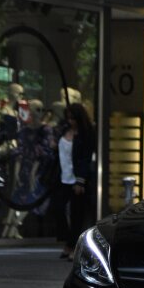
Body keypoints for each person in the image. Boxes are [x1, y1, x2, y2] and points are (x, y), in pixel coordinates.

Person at [52, 100, 96, 259]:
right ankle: (69, 241)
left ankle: (71, 245)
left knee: (77, 213)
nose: (70, 122)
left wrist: (81, 180)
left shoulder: (86, 134)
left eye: (73, 118)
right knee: (59, 208)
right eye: (68, 118)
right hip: (62, 176)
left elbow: (85, 158)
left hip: (76, 178)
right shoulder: (63, 131)